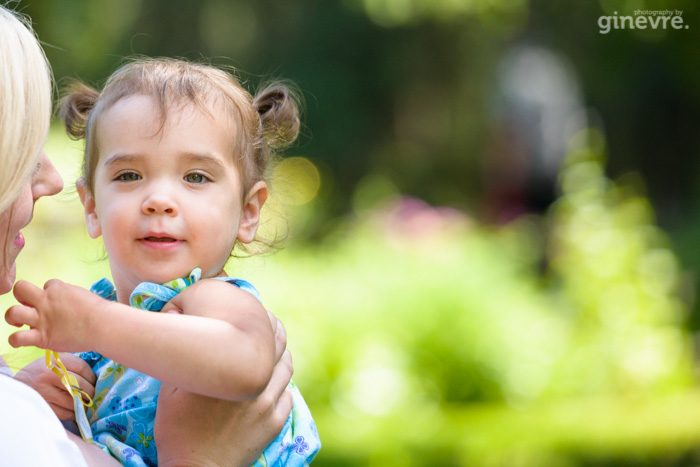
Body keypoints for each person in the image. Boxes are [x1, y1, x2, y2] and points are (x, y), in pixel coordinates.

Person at [1, 5, 298, 467]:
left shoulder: (210, 301)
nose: (159, 199)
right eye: (129, 175)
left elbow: (248, 364)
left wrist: (94, 324)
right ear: (92, 207)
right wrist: (39, 400)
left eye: (196, 177)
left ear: (248, 212)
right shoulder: (102, 329)